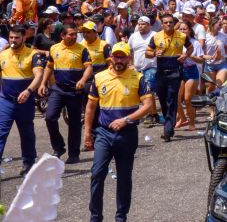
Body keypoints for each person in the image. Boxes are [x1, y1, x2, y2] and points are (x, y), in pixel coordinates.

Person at [85, 42, 154, 222]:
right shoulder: (99, 77)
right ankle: (95, 216)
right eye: (116, 56)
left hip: (127, 134)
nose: (118, 60)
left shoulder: (137, 78)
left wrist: (126, 120)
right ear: (110, 57)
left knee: (124, 177)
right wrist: (87, 133)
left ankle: (121, 216)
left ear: (129, 58)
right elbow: (91, 107)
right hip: (103, 134)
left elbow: (148, 105)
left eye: (122, 56)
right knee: (97, 174)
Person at [38, 22, 93, 164]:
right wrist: (43, 83)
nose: (74, 37)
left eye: (76, 34)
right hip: (58, 89)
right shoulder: (54, 48)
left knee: (74, 122)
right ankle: (58, 147)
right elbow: (49, 67)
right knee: (50, 117)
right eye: (71, 34)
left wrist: (82, 80)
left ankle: (74, 154)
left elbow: (89, 68)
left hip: (75, 91)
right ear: (62, 35)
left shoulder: (82, 49)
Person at [0, 25, 46, 175]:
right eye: (11, 37)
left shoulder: (33, 54)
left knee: (27, 133)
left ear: (24, 37)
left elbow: (38, 75)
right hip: (6, 100)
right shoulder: (3, 54)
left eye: (17, 37)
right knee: (1, 133)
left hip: (25, 102)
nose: (13, 40)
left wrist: (29, 91)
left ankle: (29, 163)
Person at [145, 13, 186, 142]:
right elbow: (147, 53)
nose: (168, 24)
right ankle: (169, 125)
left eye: (170, 22)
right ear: (162, 24)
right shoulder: (156, 37)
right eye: (166, 22)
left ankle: (168, 129)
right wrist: (155, 53)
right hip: (161, 72)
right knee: (163, 100)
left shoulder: (182, 36)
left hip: (175, 72)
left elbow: (189, 48)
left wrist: (185, 55)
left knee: (171, 99)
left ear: (174, 23)